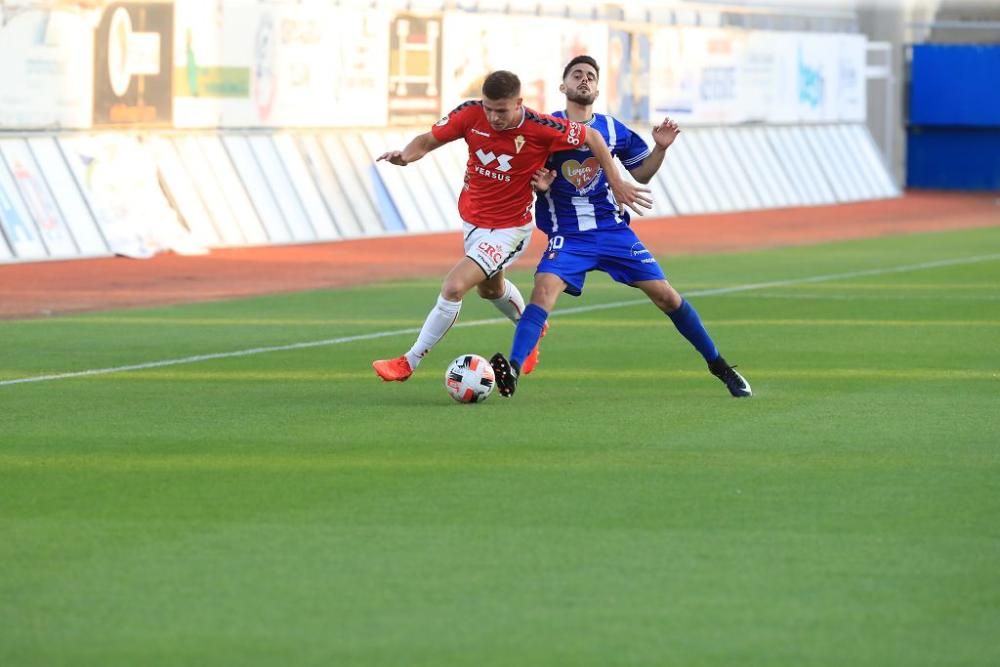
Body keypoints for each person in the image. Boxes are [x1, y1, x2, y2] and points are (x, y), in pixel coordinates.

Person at [489, 56, 752, 398]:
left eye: (590, 77)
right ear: (563, 86)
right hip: (568, 235)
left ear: (597, 89)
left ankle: (720, 366)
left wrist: (660, 148)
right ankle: (512, 369)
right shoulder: (545, 127)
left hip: (612, 232)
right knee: (543, 292)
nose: (584, 80)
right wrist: (537, 184)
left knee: (666, 296)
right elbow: (522, 174)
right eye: (577, 75)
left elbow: (641, 173)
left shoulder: (614, 129)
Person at [372, 70, 652, 383]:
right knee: (489, 290)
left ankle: (408, 362)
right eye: (489, 108)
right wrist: (406, 157)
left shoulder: (541, 126)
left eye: (502, 111)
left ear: (518, 103)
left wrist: (616, 183)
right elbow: (426, 140)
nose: (493, 117)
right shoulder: (470, 114)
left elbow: (593, 137)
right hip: (473, 222)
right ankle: (531, 327)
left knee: (453, 287)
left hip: (510, 230)